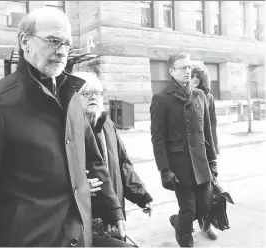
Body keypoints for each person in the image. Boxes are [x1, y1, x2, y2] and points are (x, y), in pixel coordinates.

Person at [0, 8, 125, 247]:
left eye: (67, 44)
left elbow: (94, 161)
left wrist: (112, 211)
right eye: (53, 41)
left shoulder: (72, 97)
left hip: (79, 236)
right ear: (25, 41)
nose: (62, 51)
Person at [150, 53, 220, 247]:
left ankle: (178, 221)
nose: (188, 71)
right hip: (179, 165)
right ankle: (185, 239)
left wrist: (213, 161)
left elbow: (208, 131)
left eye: (189, 67)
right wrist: (164, 169)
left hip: (201, 162)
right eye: (183, 68)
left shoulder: (200, 96)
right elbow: (157, 138)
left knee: (205, 207)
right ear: (172, 71)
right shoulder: (161, 98)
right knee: (188, 209)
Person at [72, 71, 153, 238]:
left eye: (98, 93)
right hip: (84, 214)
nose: (93, 97)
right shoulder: (68, 130)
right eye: (87, 93)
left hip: (114, 207)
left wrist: (141, 195)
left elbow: (123, 163)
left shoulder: (107, 125)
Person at [191, 63, 219, 155]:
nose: (195, 79)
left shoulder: (209, 97)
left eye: (198, 77)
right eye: (192, 76)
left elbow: (212, 123)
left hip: (204, 140)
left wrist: (214, 147)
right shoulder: (183, 96)